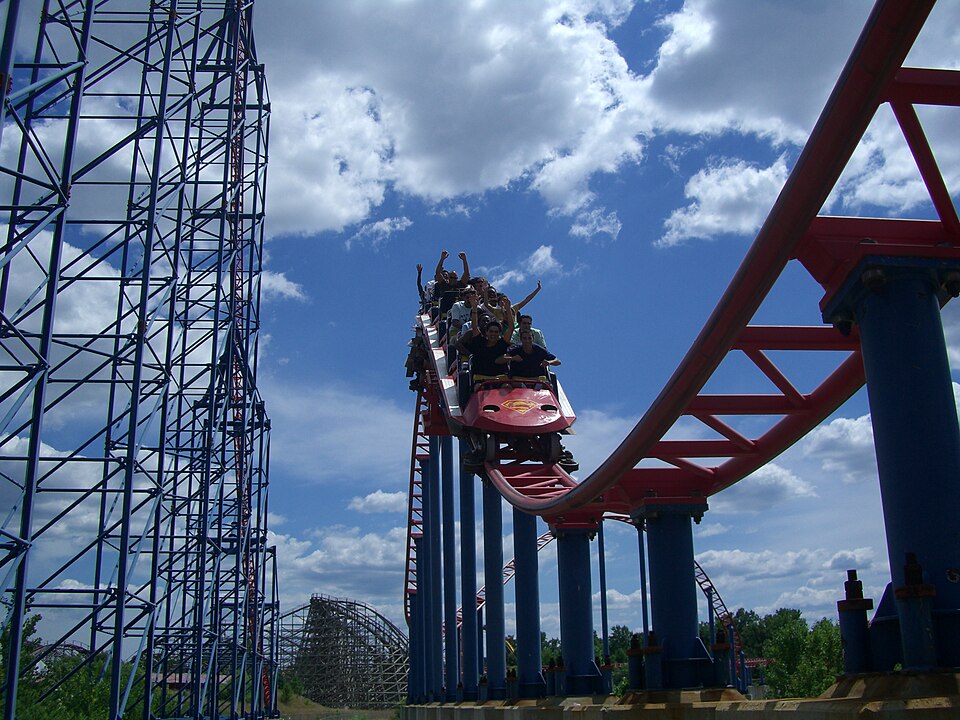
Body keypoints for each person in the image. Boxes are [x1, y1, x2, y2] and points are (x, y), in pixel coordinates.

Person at [457, 297, 514, 386]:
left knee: (507, 386)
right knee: (478, 388)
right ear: (486, 332)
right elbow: (475, 326)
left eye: (496, 332)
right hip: (481, 380)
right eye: (491, 331)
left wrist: (508, 309)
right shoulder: (480, 341)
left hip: (499, 379)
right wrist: (475, 308)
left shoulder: (502, 344)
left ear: (499, 333)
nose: (493, 334)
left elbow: (511, 328)